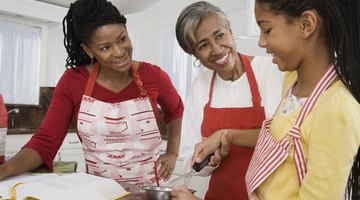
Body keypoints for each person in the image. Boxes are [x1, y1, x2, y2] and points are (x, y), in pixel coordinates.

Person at [174, 0, 360, 199]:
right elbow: (278, 137)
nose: (261, 42)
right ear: (195, 54)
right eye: (203, 45)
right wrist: (220, 139)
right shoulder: (294, 84)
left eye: (267, 30)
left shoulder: (327, 102)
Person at [0, 0, 184, 186]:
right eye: (105, 47)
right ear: (88, 50)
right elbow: (45, 142)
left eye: (122, 39)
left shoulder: (153, 76)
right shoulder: (72, 82)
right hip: (99, 192)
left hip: (150, 191)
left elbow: (175, 110)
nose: (120, 52)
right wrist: (4, 170)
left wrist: (172, 152)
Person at [174, 1, 284, 199]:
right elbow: (188, 157)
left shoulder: (271, 71)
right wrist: (207, 162)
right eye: (203, 45)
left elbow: (283, 139)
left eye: (220, 35)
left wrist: (223, 135)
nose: (217, 50)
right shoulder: (200, 85)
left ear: (230, 30)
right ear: (194, 54)